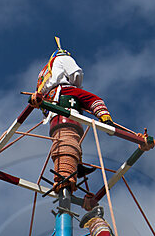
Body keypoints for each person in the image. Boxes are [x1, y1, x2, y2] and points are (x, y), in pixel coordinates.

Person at [29, 39, 112, 192]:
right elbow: (76, 73)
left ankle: (76, 164)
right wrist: (77, 87)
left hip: (51, 104)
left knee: (67, 138)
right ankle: (106, 118)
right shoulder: (63, 58)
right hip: (64, 93)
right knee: (94, 100)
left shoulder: (44, 70)